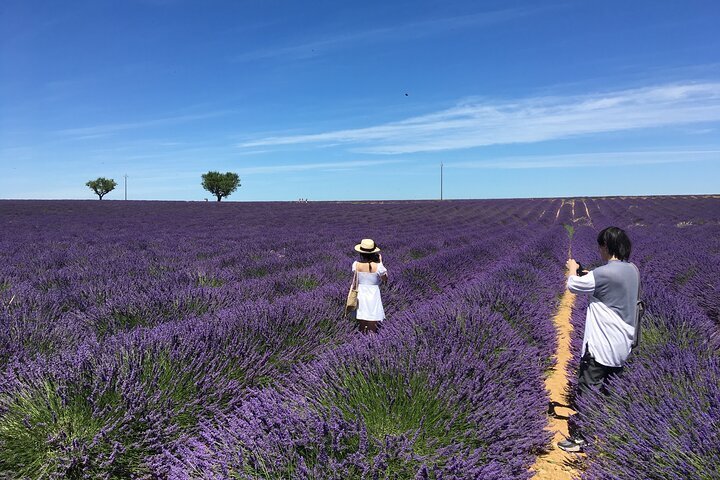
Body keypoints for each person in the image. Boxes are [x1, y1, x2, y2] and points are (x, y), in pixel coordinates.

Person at [558, 226, 640, 453]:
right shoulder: (632, 269)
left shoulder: (603, 273)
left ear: (606, 246)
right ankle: (609, 432)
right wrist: (589, 275)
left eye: (600, 246)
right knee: (611, 387)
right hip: (623, 343)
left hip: (600, 343)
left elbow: (573, 286)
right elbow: (607, 283)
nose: (599, 250)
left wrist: (573, 270)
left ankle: (581, 438)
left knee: (587, 388)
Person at [351, 238, 388, 333]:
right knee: (373, 323)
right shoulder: (379, 266)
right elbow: (385, 280)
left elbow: (355, 280)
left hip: (361, 294)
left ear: (361, 253)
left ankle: (360, 343)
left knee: (361, 323)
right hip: (373, 295)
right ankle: (372, 344)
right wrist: (380, 263)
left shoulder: (356, 265)